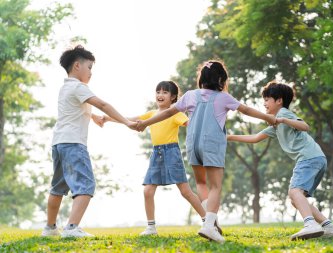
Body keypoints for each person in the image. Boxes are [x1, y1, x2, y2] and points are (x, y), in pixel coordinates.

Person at [136, 60, 275, 243]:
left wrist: (145, 123)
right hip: (212, 143)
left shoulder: (190, 95)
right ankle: (209, 225)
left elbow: (168, 112)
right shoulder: (224, 97)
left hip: (193, 144)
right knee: (215, 186)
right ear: (221, 79)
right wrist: (267, 117)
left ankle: (210, 221)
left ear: (201, 78)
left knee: (201, 183)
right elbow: (246, 109)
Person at [41, 45, 136, 238]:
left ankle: (50, 228)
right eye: (89, 67)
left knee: (57, 187)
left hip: (59, 143)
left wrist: (93, 118)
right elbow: (102, 104)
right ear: (77, 65)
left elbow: (75, 109)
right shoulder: (79, 87)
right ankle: (72, 228)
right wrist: (126, 122)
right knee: (85, 184)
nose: (91, 72)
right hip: (74, 144)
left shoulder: (65, 87)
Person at [227, 80, 333, 240]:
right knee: (296, 199)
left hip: (308, 158)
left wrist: (283, 120)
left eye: (267, 99)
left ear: (279, 100)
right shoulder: (275, 124)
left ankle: (310, 224)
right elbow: (255, 138)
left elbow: (305, 126)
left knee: (294, 192)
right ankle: (329, 226)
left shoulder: (283, 114)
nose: (264, 103)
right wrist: (229, 137)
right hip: (316, 158)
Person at [103, 81, 206, 236]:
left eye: (165, 92)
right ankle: (151, 227)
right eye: (158, 92)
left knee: (185, 191)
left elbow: (190, 124)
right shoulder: (151, 114)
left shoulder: (175, 113)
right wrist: (109, 118)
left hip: (172, 152)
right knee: (148, 191)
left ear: (173, 97)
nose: (160, 95)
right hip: (156, 154)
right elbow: (130, 119)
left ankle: (208, 221)